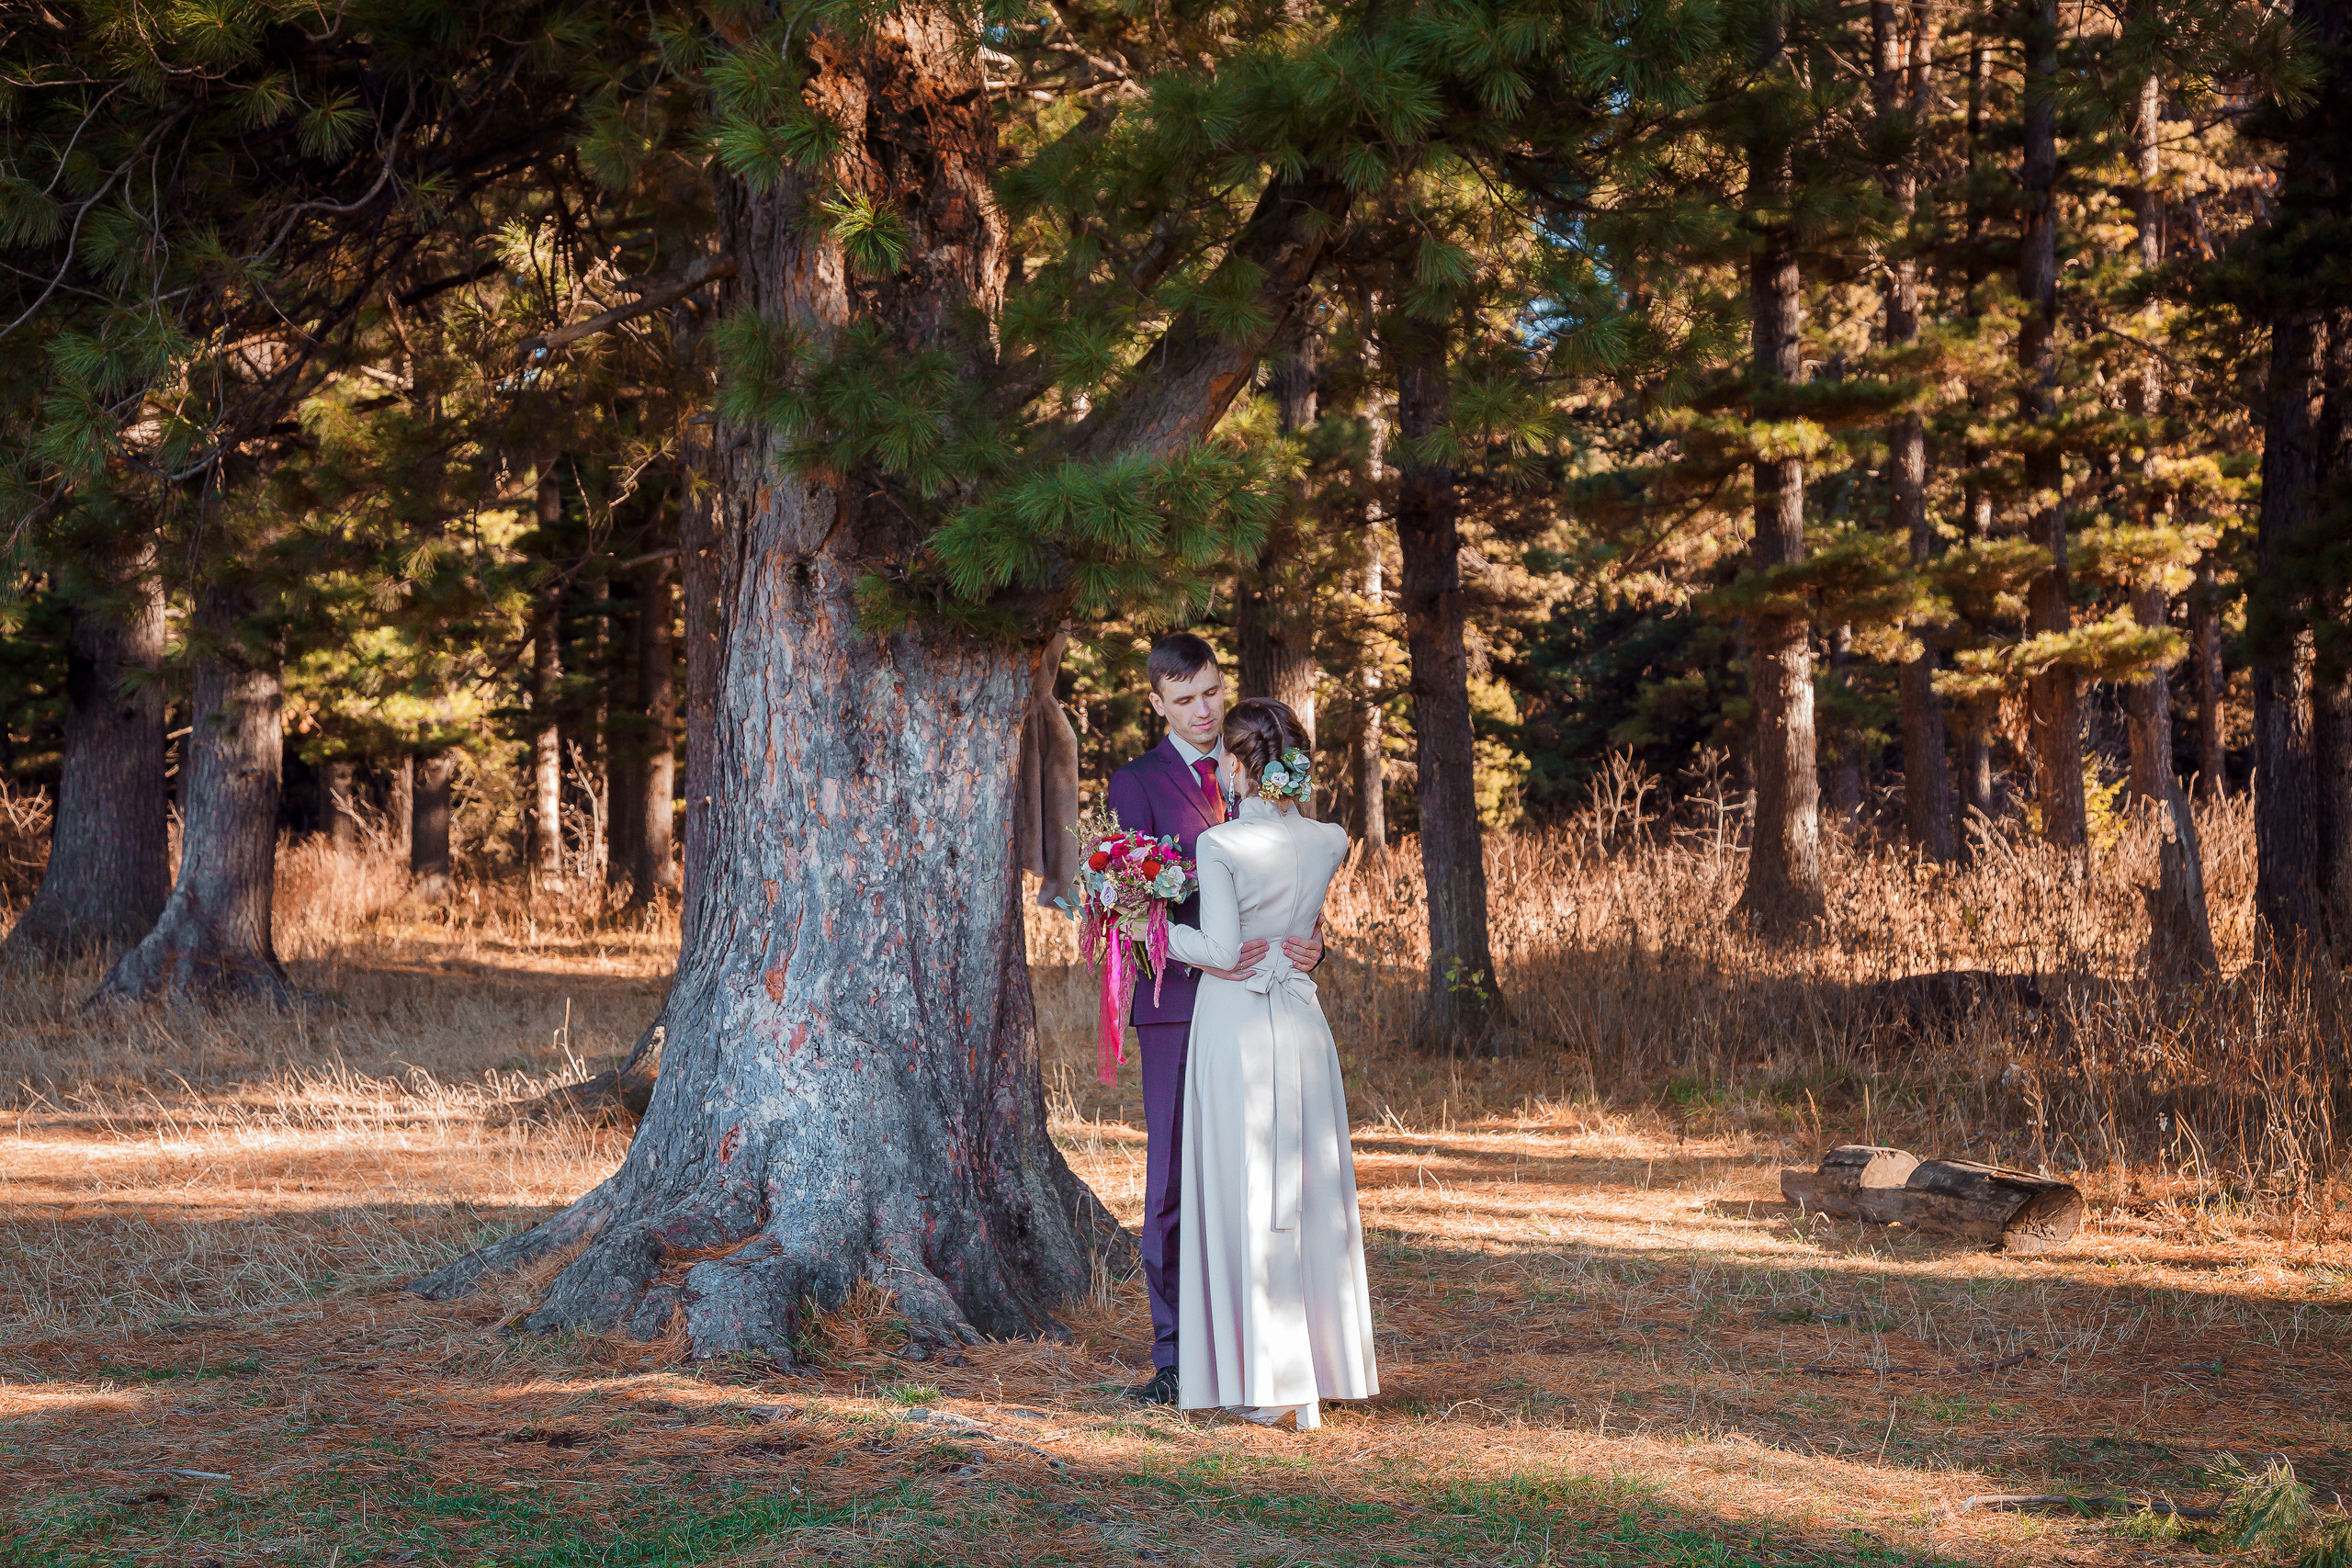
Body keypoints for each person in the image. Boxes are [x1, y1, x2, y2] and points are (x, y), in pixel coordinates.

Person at [1108, 636, 1322, 1406]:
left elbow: (1296, 868)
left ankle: (1256, 1348)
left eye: (1212, 692)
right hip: (1178, 1006)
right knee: (1170, 1179)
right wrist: (1206, 954)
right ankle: (1174, 1356)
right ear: (1158, 703)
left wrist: (1315, 940)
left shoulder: (1261, 763)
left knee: (1258, 1175)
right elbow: (1131, 909)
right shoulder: (1136, 784)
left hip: (1264, 998)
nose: (1204, 712)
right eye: (1186, 699)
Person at [1163, 697, 1376, 1430]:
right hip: (1302, 1020)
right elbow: (1302, 926)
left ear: (1233, 764)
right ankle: (1318, 1364)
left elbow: (1222, 952)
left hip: (1239, 1027)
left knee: (1248, 1191)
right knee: (1303, 1192)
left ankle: (1270, 1376)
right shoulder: (1331, 839)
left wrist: (1150, 929)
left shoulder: (1220, 845)